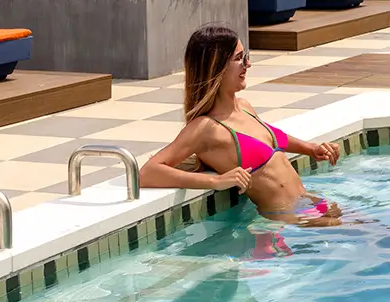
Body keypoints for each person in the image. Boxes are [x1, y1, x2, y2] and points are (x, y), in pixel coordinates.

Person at [140, 25, 342, 223]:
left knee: (368, 231)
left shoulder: (244, 107)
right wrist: (216, 181)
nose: (248, 64)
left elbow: (272, 135)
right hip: (291, 218)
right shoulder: (205, 128)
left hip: (309, 202)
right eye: (239, 59)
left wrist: (311, 148)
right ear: (215, 67)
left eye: (246, 56)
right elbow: (147, 173)